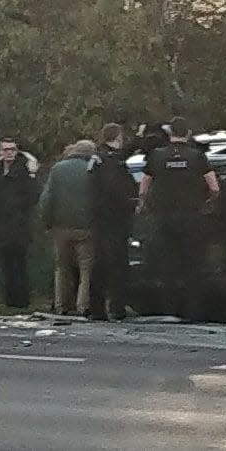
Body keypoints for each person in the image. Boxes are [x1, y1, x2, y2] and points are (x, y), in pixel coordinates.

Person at [138, 117, 220, 320]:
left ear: (170, 133)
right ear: (188, 133)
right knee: (193, 264)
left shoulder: (156, 156)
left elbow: (143, 189)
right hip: (191, 218)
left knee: (167, 265)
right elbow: (214, 187)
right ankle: (193, 310)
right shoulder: (198, 156)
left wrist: (149, 207)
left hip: (163, 218)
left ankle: (169, 309)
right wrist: (206, 205)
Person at [40, 140, 97, 316]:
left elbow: (47, 199)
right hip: (87, 226)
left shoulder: (58, 169)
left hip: (61, 226)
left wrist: (47, 222)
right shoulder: (93, 168)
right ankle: (83, 305)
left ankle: (62, 305)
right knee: (86, 268)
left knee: (62, 267)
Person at [88, 124, 137, 321]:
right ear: (118, 137)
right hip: (114, 220)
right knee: (116, 265)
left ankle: (96, 308)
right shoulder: (112, 161)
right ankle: (116, 308)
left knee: (99, 265)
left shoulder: (97, 158)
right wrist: (131, 203)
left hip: (98, 219)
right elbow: (117, 190)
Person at [0, 137, 39, 309]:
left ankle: (21, 300)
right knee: (6, 264)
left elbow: (33, 196)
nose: (8, 152)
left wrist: (32, 175)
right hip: (1, 224)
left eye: (12, 149)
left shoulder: (23, 170)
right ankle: (9, 300)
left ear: (16, 151)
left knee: (19, 264)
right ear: (0, 152)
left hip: (19, 224)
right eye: (5, 149)